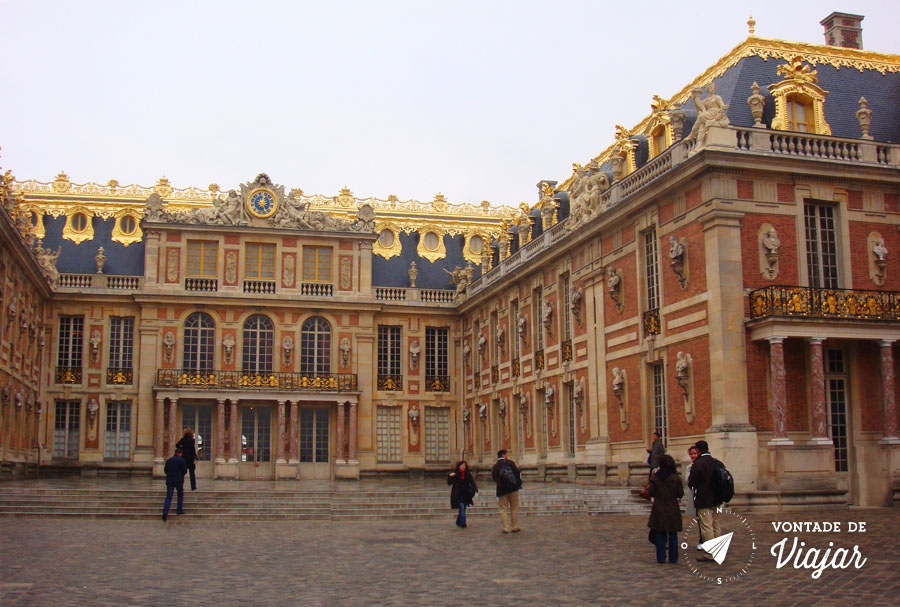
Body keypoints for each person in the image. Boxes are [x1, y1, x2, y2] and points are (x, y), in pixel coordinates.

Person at [688, 440, 724, 562]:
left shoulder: (698, 464)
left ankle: (710, 553)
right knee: (716, 524)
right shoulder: (717, 462)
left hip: (704, 499)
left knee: (706, 526)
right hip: (717, 499)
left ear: (698, 450)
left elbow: (691, 483)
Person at [647, 454, 684, 563]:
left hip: (659, 507)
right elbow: (680, 494)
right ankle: (673, 558)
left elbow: (651, 493)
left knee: (660, 533)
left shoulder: (655, 478)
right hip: (672, 507)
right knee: (673, 534)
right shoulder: (676, 478)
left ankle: (661, 558)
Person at [491, 449, 522, 534]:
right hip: (513, 489)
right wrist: (518, 484)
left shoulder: (495, 466)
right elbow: (517, 473)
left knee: (503, 509)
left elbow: (495, 478)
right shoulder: (510, 463)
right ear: (504, 455)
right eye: (506, 454)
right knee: (514, 507)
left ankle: (505, 527)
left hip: (502, 490)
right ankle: (515, 526)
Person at [447, 460, 478, 528]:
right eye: (462, 465)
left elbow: (472, 482)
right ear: (459, 467)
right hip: (458, 494)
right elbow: (449, 483)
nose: (463, 467)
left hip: (466, 494)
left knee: (463, 509)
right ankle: (463, 523)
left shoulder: (467, 474)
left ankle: (458, 521)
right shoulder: (455, 474)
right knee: (461, 507)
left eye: (464, 465)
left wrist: (475, 489)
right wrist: (450, 476)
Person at [162, 447, 188, 522]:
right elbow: (185, 471)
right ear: (180, 453)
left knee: (168, 497)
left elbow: (166, 470)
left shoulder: (169, 460)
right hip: (179, 480)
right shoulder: (182, 460)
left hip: (170, 480)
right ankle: (179, 510)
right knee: (180, 495)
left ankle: (165, 512)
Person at [686, 445, 703, 551]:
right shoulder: (690, 466)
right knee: (699, 518)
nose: (693, 456)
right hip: (694, 494)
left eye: (695, 453)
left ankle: (704, 540)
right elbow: (687, 480)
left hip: (702, 495)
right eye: (691, 454)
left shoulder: (701, 465)